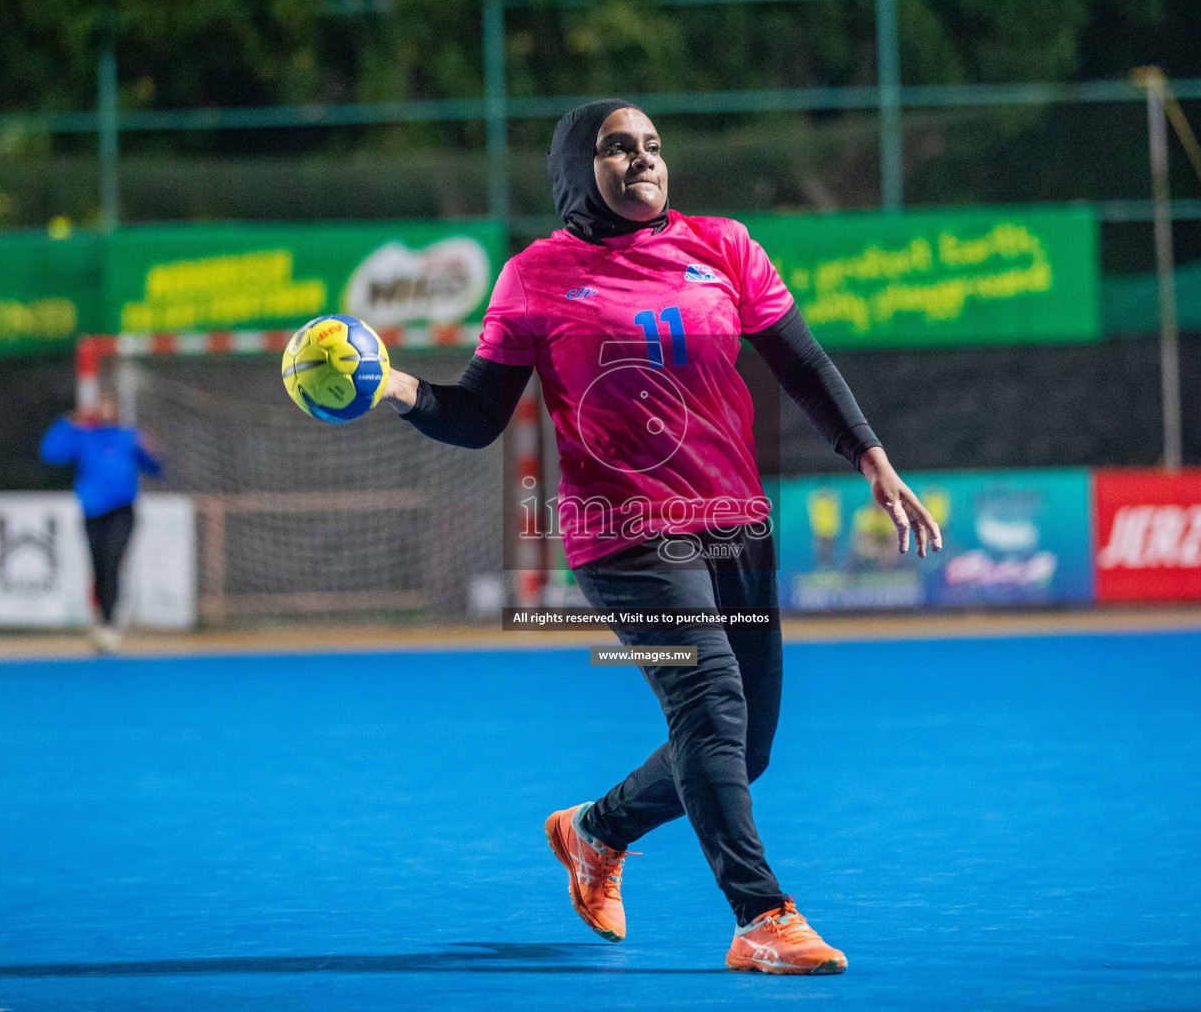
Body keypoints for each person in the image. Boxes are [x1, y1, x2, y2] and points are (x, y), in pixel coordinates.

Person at [384, 99, 941, 975]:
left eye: (651, 146)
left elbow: (803, 361)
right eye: (617, 147)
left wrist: (870, 456)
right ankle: (762, 919)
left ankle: (592, 831)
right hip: (624, 532)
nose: (642, 159)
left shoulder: (724, 246)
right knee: (709, 704)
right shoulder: (535, 276)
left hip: (735, 523)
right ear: (578, 170)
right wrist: (396, 387)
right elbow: (477, 415)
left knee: (746, 746)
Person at [39, 397, 163, 653]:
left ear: (117, 411)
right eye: (101, 407)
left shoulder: (128, 437)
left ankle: (109, 622)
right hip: (93, 512)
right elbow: (50, 453)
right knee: (98, 566)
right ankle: (100, 618)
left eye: (110, 407)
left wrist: (152, 451)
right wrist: (68, 421)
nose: (106, 412)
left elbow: (155, 468)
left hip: (122, 511)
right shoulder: (85, 437)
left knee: (112, 559)